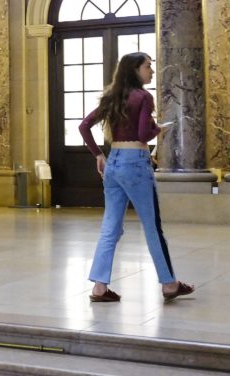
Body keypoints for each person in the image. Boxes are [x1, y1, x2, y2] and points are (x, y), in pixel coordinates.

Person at [79, 52, 194, 304]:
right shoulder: (143, 97)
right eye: (148, 67)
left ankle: (99, 287)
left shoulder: (112, 97)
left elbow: (84, 126)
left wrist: (98, 155)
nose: (151, 72)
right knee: (152, 225)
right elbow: (143, 133)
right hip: (136, 164)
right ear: (135, 70)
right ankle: (169, 284)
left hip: (114, 162)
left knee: (110, 226)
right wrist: (159, 129)